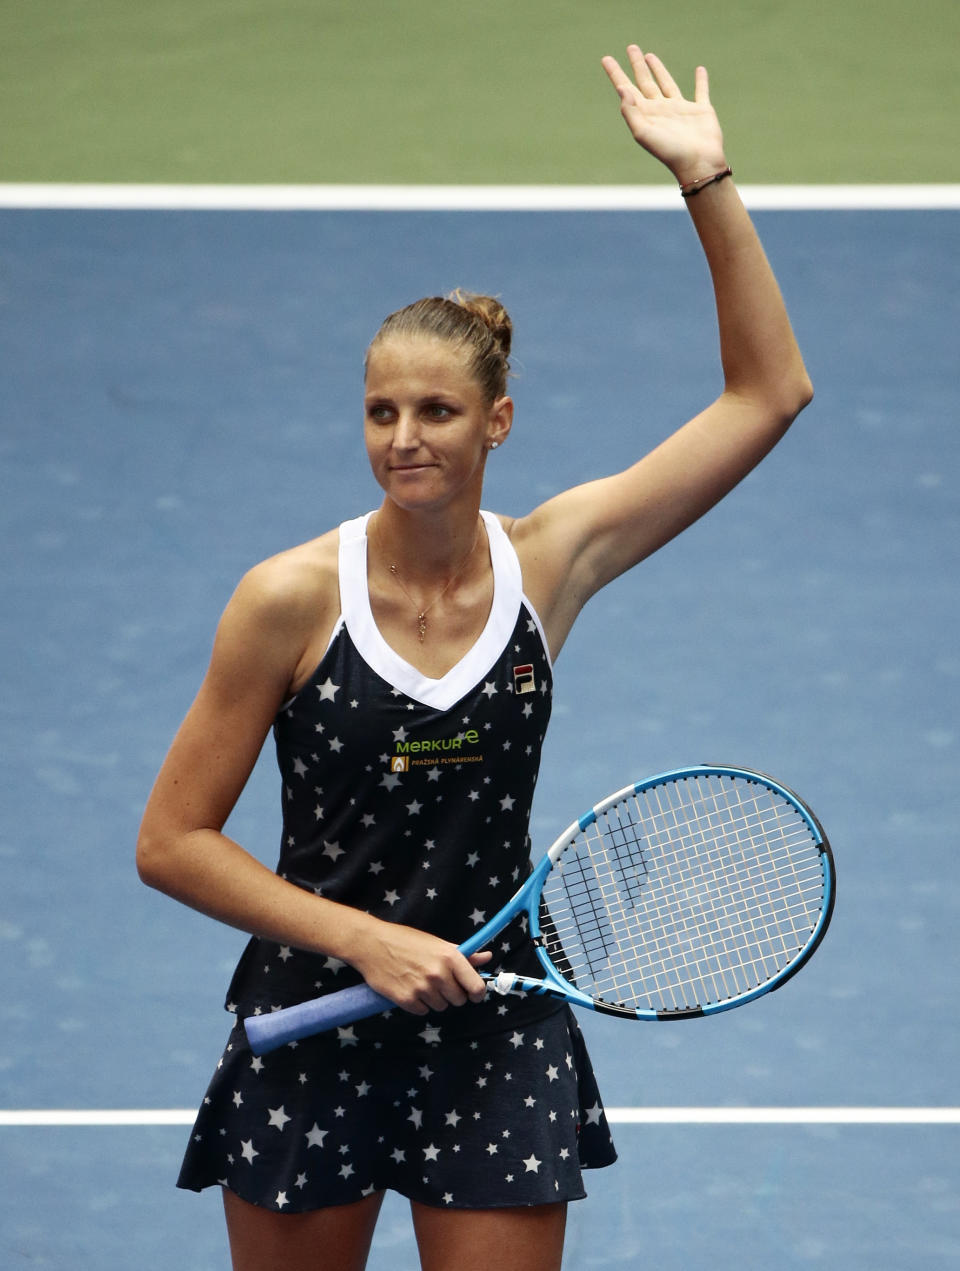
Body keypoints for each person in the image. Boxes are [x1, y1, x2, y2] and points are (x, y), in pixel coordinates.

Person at [137, 43, 812, 1271]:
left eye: (437, 411)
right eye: (382, 411)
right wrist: (365, 940)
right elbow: (170, 841)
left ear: (496, 421)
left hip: (496, 1018)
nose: (404, 438)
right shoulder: (288, 598)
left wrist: (707, 181)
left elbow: (769, 394)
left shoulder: (553, 562)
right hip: (314, 1013)